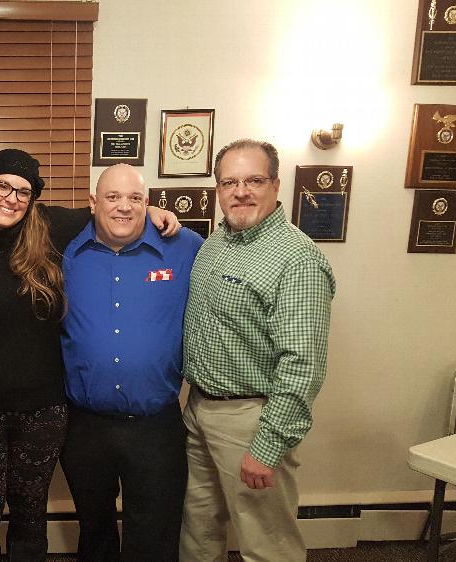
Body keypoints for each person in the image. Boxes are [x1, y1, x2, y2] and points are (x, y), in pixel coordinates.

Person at [0, 152, 181, 562]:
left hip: (42, 410)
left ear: (34, 199)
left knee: (31, 515)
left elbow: (115, 211)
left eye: (23, 191)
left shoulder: (51, 231)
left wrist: (151, 209)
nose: (12, 198)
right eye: (2, 186)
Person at [179, 139, 335, 562]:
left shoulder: (297, 258)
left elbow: (302, 366)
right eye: (229, 182)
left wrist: (267, 445)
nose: (241, 191)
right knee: (197, 530)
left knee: (267, 544)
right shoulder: (214, 243)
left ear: (276, 185)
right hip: (197, 409)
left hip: (251, 417)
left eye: (254, 180)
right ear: (218, 189)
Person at [59, 163, 203, 562]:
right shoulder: (63, 248)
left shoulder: (185, 247)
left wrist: (156, 215)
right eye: (113, 197)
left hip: (155, 426)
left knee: (155, 535)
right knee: (95, 530)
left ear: (149, 203)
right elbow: (23, 211)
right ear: (92, 203)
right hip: (85, 426)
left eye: (135, 198)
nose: (123, 207)